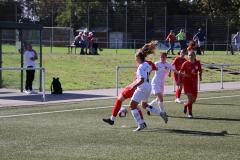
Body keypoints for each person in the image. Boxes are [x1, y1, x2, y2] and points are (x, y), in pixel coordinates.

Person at [102, 41, 158, 128]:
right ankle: (142, 122)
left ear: (139, 57)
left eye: (136, 56)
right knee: (136, 105)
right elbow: (155, 68)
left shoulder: (141, 64)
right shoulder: (148, 63)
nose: (135, 58)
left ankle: (112, 119)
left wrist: (134, 83)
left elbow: (142, 77)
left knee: (120, 99)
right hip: (143, 86)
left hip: (137, 86)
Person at [146, 52, 180, 117]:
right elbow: (149, 70)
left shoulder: (168, 64)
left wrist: (180, 73)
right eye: (161, 57)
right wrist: (147, 77)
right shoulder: (157, 64)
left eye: (163, 57)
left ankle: (149, 107)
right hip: (155, 83)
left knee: (158, 99)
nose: (162, 58)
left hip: (162, 84)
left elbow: (174, 70)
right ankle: (162, 113)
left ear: (166, 57)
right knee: (161, 98)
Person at [180, 50, 202, 118]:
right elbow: (180, 72)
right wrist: (185, 75)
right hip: (186, 83)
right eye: (189, 55)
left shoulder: (197, 63)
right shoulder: (185, 63)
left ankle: (186, 104)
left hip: (194, 83)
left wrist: (200, 76)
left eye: (192, 55)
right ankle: (190, 114)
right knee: (190, 97)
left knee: (193, 100)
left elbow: (200, 70)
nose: (190, 56)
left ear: (195, 56)